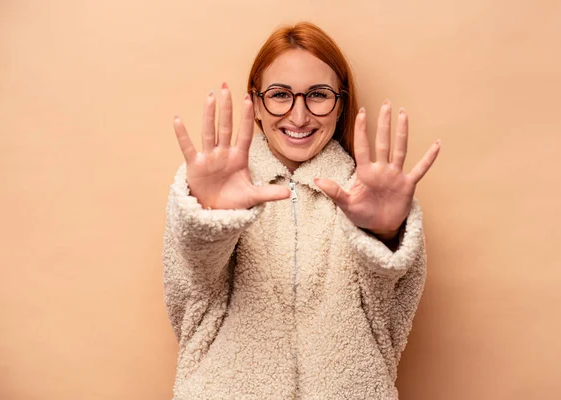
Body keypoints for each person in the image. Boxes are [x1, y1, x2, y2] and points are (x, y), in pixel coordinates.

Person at [163, 21, 441, 400]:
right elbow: (193, 287)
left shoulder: (374, 194)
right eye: (280, 94)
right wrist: (211, 219)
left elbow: (389, 311)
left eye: (319, 94)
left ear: (340, 105)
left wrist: (386, 235)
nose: (299, 116)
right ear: (256, 104)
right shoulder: (209, 186)